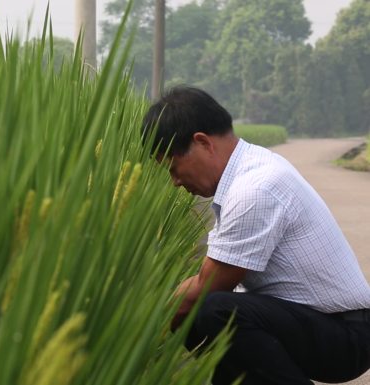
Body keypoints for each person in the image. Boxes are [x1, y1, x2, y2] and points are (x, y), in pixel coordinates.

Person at [141, 86, 370, 385]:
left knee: (213, 311)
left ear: (202, 143)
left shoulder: (254, 188)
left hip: (345, 335)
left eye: (173, 168)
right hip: (318, 323)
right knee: (205, 319)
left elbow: (207, 285)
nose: (174, 182)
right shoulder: (249, 168)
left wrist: (141, 330)